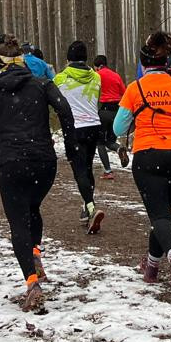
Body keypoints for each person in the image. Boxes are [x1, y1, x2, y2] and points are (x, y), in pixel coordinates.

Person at [0, 41, 76, 311]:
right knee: (33, 207)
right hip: (43, 162)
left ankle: (31, 283)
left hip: (13, 162)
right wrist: (70, 143)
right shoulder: (42, 84)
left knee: (18, 222)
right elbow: (64, 109)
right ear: (24, 61)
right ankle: (36, 254)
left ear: (0, 64)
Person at [114, 31, 171, 293]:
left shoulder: (135, 88)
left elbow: (118, 127)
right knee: (162, 215)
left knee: (158, 215)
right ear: (167, 63)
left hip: (148, 155)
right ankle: (152, 268)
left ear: (144, 64)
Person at [55, 42, 108, 233]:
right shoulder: (96, 77)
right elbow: (98, 99)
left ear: (68, 58)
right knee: (86, 167)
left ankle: (91, 206)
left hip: (74, 129)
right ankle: (86, 208)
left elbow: (56, 103)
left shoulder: (60, 79)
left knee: (79, 171)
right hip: (93, 126)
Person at [95, 54, 127, 177]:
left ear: (98, 66)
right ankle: (119, 149)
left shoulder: (97, 75)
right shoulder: (116, 76)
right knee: (110, 141)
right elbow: (124, 92)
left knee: (100, 142)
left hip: (104, 111)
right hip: (117, 111)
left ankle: (108, 171)